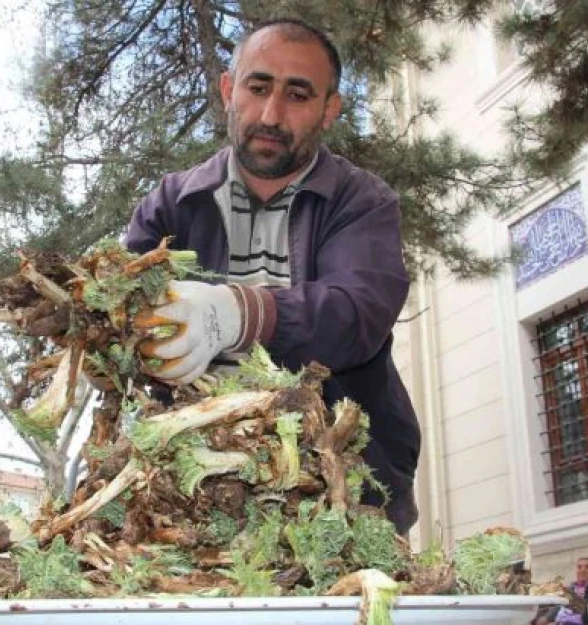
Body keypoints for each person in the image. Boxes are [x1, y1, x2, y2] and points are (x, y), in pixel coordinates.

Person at [124, 17, 421, 534]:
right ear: (228, 90)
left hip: (345, 488)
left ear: (330, 109)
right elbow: (122, 318)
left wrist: (239, 314)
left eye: (298, 95)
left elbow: (355, 315)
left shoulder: (363, 202)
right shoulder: (171, 205)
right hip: (190, 488)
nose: (270, 114)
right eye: (257, 87)